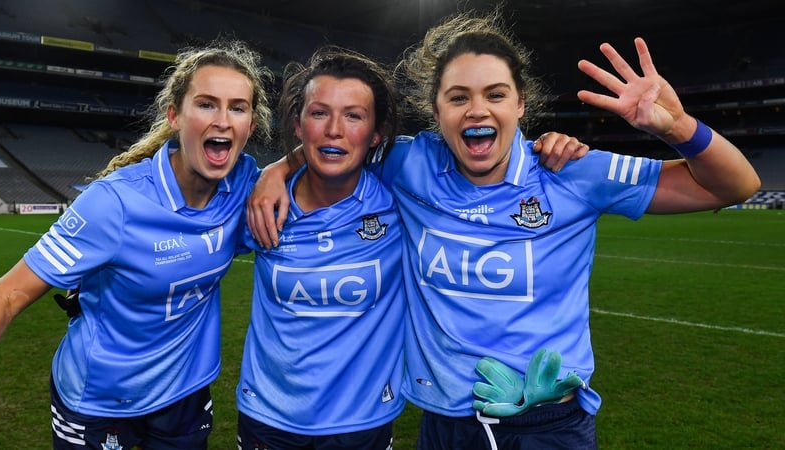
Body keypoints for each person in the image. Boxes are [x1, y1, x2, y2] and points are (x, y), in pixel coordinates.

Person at [248, 8, 760, 450]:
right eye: (458, 97)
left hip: (545, 424)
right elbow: (340, 143)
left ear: (520, 105)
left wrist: (678, 128)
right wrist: (281, 168)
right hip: (442, 419)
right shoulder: (411, 164)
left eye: (495, 94)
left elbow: (733, 186)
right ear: (436, 112)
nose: (477, 110)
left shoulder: (570, 172)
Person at [0, 38, 273, 449]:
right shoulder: (114, 203)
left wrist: (285, 167)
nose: (223, 120)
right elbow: (8, 295)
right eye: (207, 104)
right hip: (98, 401)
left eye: (238, 107)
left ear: (251, 124)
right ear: (175, 115)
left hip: (184, 395)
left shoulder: (246, 183)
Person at [234, 46, 406, 450]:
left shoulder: (400, 201)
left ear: (376, 132)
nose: (334, 129)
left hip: (363, 422)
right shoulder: (259, 204)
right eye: (319, 113)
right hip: (268, 419)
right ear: (298, 125)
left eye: (353, 115)